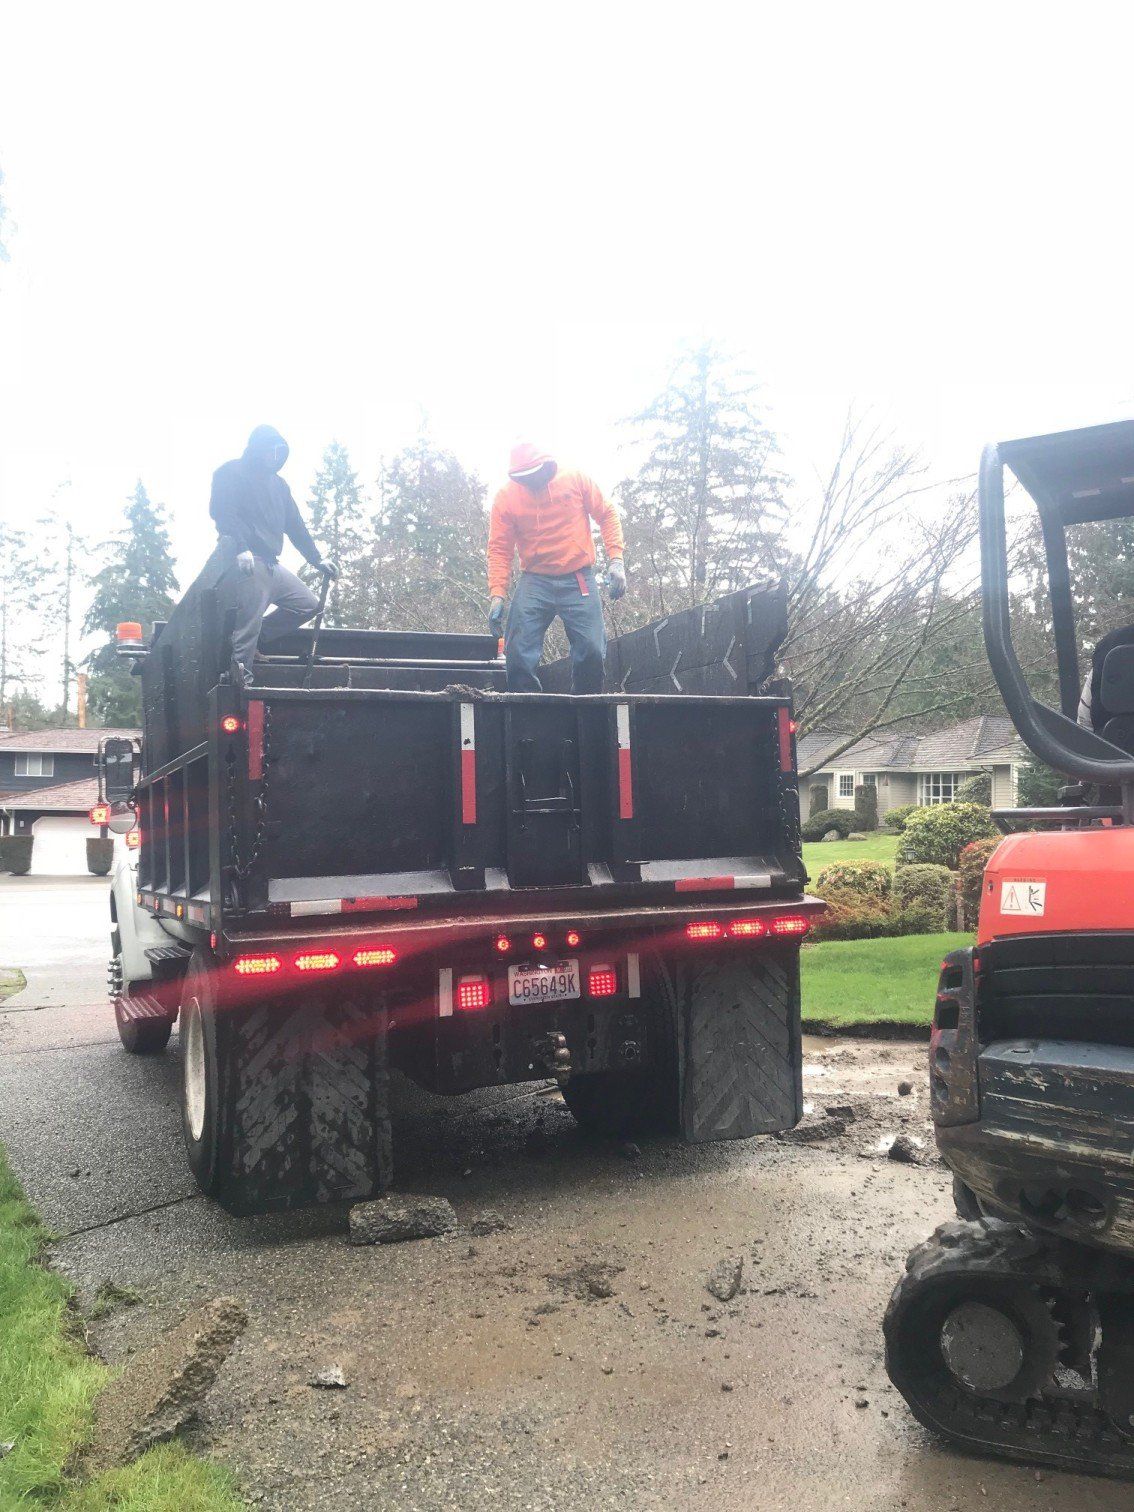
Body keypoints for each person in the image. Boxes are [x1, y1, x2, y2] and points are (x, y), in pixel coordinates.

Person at [487, 442, 626, 693]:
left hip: (578, 578)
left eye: (535, 476)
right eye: (525, 479)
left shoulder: (574, 479)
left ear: (547, 466)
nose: (532, 482)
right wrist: (497, 594)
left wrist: (616, 560)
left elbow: (607, 514)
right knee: (517, 652)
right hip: (535, 581)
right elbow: (499, 548)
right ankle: (531, 713)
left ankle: (584, 710)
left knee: (592, 651)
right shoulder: (506, 498)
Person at [209, 424, 337, 683]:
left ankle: (261, 637)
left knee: (309, 605)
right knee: (246, 626)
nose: (275, 456)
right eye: (271, 450)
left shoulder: (279, 485)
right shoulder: (230, 472)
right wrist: (241, 546)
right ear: (258, 449)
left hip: (271, 563)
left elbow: (295, 525)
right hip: (247, 561)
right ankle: (241, 681)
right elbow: (224, 512)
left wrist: (316, 558)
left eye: (280, 452)